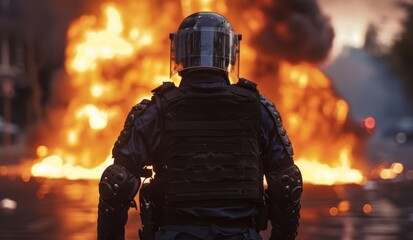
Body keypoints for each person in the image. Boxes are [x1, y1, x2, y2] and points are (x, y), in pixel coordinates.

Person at [97, 12, 302, 240]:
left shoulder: (157, 111)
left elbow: (116, 183)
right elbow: (287, 184)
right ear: (229, 54)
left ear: (180, 53)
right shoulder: (257, 108)